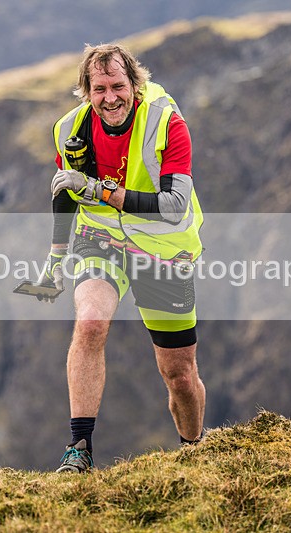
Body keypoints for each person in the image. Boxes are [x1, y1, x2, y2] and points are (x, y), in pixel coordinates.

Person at [43, 43, 206, 473]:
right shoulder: (69, 129)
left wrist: (100, 191)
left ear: (136, 85)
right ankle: (79, 449)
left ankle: (194, 451)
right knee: (91, 321)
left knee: (180, 374)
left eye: (118, 85)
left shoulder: (167, 123)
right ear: (86, 91)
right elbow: (63, 193)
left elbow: (174, 205)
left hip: (162, 247)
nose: (109, 97)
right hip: (101, 239)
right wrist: (56, 258)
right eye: (99, 88)